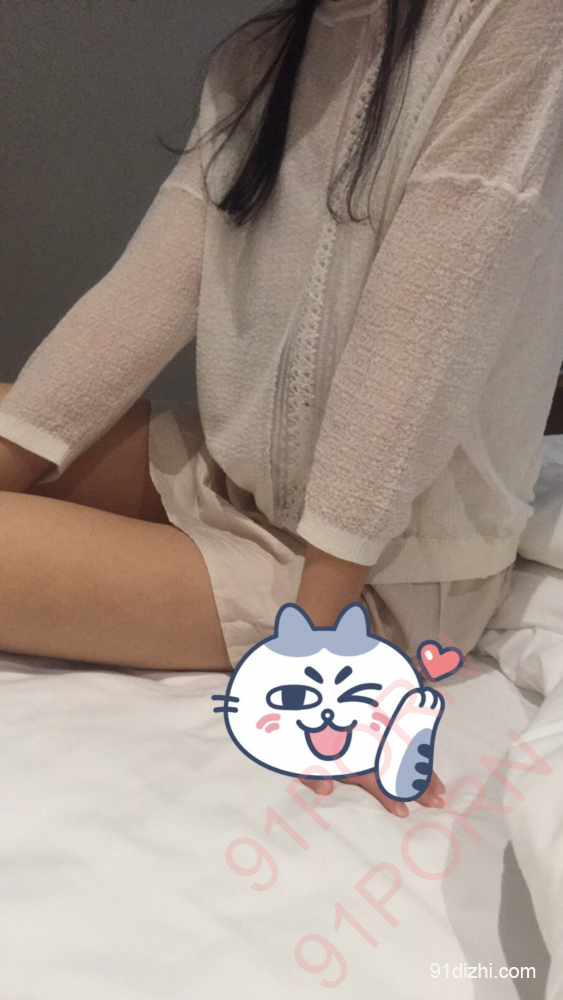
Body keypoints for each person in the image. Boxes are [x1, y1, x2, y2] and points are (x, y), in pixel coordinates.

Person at [0, 0, 561, 818]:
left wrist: (326, 664)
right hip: (238, 480)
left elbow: (417, 341)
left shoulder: (511, 20)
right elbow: (143, 296)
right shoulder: (260, 54)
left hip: (382, 573)